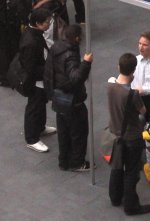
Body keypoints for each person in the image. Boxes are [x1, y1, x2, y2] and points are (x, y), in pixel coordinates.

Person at [107, 53, 150, 215]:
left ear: (119, 67)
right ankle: (131, 206)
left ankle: (115, 197)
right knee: (132, 172)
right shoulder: (132, 95)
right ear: (134, 70)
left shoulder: (110, 86)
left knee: (117, 167)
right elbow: (143, 111)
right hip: (132, 137)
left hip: (115, 135)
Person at [44, 24, 93, 171]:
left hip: (58, 97)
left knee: (63, 131)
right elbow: (75, 78)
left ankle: (63, 160)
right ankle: (77, 162)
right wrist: (86, 63)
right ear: (76, 38)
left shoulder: (56, 47)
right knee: (79, 132)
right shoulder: (70, 55)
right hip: (72, 100)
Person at [19, 7, 56, 153]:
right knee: (34, 107)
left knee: (40, 104)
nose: (49, 24)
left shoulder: (35, 34)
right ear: (38, 23)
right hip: (35, 81)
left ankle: (40, 127)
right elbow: (31, 69)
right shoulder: (31, 42)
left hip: (40, 78)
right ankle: (32, 138)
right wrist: (49, 71)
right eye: (47, 22)